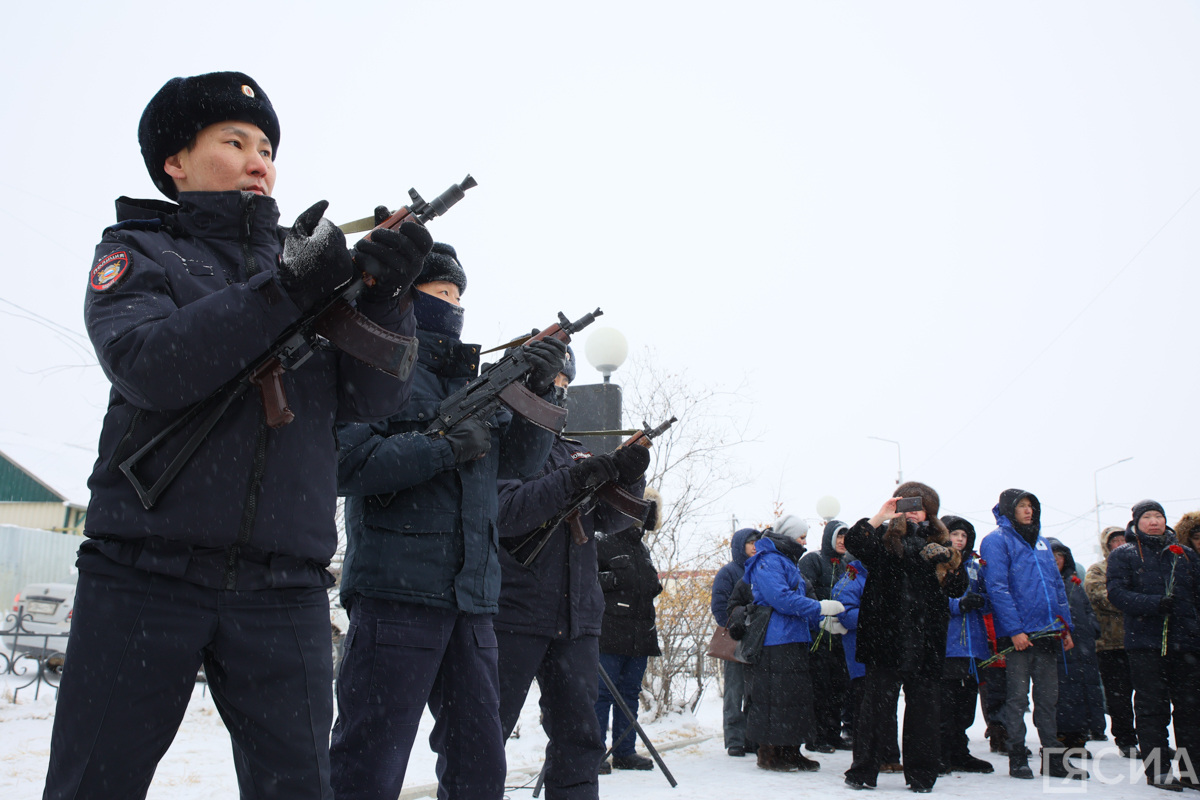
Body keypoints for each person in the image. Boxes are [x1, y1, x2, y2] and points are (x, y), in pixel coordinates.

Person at [44, 71, 426, 800]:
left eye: (268, 148)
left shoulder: (310, 267)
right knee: (93, 782)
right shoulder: (140, 252)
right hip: (142, 577)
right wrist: (283, 288)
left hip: (284, 589)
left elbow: (373, 396)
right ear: (175, 163)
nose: (260, 161)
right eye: (235, 141)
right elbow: (149, 365)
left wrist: (390, 298)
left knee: (299, 788)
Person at [330, 247, 565, 800]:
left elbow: (523, 463)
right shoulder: (374, 369)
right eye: (440, 294)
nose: (452, 307)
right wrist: (439, 449)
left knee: (479, 763)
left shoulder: (473, 384)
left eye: (459, 296)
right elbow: (346, 463)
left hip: (474, 602)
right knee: (370, 761)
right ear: (407, 296)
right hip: (395, 596)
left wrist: (541, 387)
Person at [492, 348, 650, 799]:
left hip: (577, 617)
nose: (558, 391)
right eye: (550, 381)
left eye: (565, 383)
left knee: (581, 739)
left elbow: (610, 520)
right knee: (485, 734)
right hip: (513, 612)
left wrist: (628, 477)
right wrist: (575, 481)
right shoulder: (505, 444)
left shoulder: (573, 449)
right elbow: (508, 513)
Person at [842, 482, 966, 794]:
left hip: (926, 640)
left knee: (924, 710)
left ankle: (922, 775)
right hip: (885, 637)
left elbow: (957, 588)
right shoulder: (884, 538)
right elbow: (855, 543)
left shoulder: (939, 542)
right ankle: (863, 771)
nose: (913, 509)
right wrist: (879, 515)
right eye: (907, 503)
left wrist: (948, 563)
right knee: (875, 708)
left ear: (930, 512)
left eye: (920, 504)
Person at [979, 489, 1077, 780]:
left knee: (1048, 698)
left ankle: (1054, 758)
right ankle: (1017, 756)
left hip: (1048, 632)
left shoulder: (1043, 542)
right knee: (1018, 699)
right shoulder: (996, 541)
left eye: (1031, 505)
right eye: (1021, 505)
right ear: (1009, 509)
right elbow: (997, 587)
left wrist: (1065, 627)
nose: (1028, 510)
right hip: (1019, 636)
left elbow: (1057, 587)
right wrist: (1015, 630)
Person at [1107, 500, 1200, 790]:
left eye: (1158, 515)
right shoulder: (1125, 554)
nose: (1154, 521)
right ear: (1136, 522)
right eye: (1147, 516)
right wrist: (1154, 604)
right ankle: (1158, 770)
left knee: (1190, 709)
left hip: (1185, 643)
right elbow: (1117, 594)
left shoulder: (1183, 554)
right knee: (1152, 707)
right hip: (1145, 643)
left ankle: (1192, 770)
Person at [742, 529, 843, 772]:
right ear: (785, 537)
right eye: (800, 536)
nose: (804, 541)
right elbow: (781, 599)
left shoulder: (787, 561)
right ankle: (770, 753)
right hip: (775, 638)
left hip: (795, 637)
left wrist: (819, 622)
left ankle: (791, 750)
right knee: (775, 698)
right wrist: (820, 608)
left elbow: (797, 599)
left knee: (795, 699)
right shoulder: (767, 561)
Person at [595, 497, 665, 772]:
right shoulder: (602, 541)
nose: (641, 520)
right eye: (637, 513)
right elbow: (586, 579)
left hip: (640, 634)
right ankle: (596, 753)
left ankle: (624, 751)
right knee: (601, 695)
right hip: (610, 633)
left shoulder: (642, 548)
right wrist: (612, 580)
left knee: (629, 695)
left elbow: (649, 584)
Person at [939, 516, 994, 774]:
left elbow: (990, 596)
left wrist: (981, 601)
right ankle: (942, 751)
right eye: (955, 534)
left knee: (966, 703)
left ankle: (960, 751)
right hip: (949, 645)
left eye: (964, 535)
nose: (959, 539)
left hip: (974, 646)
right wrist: (957, 604)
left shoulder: (975, 566)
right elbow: (931, 599)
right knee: (945, 702)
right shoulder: (937, 563)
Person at [1085, 525, 1138, 758]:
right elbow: (1102, 598)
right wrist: (1137, 601)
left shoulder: (1138, 566)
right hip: (1110, 645)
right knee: (1119, 697)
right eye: (1114, 541)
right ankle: (1126, 740)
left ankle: (1150, 740)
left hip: (1140, 642)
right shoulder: (1097, 570)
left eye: (1123, 540)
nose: (1119, 545)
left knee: (1148, 698)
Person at [1048, 539, 1103, 758]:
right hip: (1059, 647)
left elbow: (1088, 609)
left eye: (1059, 556)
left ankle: (1081, 737)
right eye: (1051, 556)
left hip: (1083, 647)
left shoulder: (1074, 583)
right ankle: (1064, 738)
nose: (1055, 561)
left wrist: (1092, 627)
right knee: (1063, 694)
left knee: (1087, 692)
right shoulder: (1044, 584)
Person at [800, 519, 852, 753]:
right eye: (838, 536)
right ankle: (816, 736)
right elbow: (805, 591)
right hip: (817, 635)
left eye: (846, 538)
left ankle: (833, 733)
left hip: (840, 637)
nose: (842, 542)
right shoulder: (812, 560)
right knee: (818, 688)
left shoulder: (846, 565)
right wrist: (823, 609)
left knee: (838, 687)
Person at [711, 527, 762, 757]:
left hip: (760, 641)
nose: (754, 546)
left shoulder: (763, 569)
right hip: (735, 640)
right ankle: (734, 740)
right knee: (734, 691)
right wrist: (735, 626)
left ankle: (753, 737)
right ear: (740, 545)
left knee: (756, 691)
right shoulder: (728, 572)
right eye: (750, 542)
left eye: (757, 542)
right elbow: (720, 606)